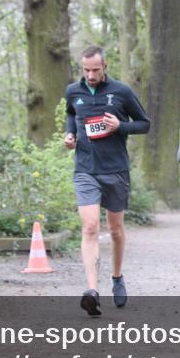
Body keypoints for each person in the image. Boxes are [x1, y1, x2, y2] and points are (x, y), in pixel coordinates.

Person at [64, 45, 150, 316]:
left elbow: (144, 123)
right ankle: (92, 291)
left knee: (115, 230)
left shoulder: (121, 91)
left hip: (115, 170)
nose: (90, 76)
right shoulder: (73, 91)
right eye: (86, 70)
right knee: (90, 227)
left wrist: (120, 126)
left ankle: (116, 277)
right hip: (85, 169)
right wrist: (70, 135)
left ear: (105, 66)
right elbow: (71, 114)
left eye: (95, 70)